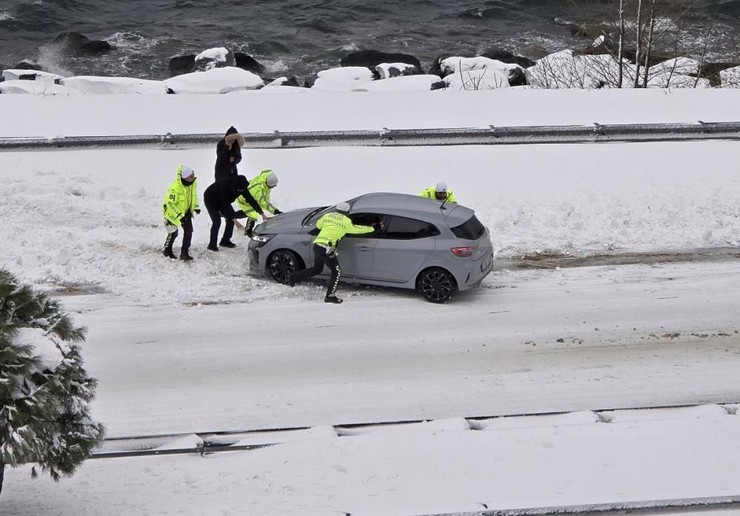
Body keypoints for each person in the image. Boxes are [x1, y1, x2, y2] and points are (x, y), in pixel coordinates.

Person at [289, 201, 376, 304]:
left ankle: (293, 277)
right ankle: (330, 296)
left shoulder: (328, 215)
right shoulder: (346, 221)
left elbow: (318, 225)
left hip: (317, 246)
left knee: (317, 269)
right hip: (327, 248)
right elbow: (356, 229)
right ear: (347, 212)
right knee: (337, 271)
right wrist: (372, 228)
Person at [203, 174, 268, 251]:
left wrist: (261, 213)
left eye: (242, 190)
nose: (240, 191)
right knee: (217, 221)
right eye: (239, 190)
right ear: (234, 186)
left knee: (230, 219)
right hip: (210, 199)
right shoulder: (225, 186)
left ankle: (225, 241)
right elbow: (225, 205)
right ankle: (212, 245)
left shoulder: (242, 187)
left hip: (223, 201)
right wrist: (235, 220)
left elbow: (251, 200)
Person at [162, 164, 200, 261]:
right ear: (185, 177)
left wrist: (196, 206)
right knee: (173, 233)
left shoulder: (192, 183)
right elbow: (170, 204)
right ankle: (167, 249)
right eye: (191, 176)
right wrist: (179, 216)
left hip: (186, 212)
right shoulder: (175, 188)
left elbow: (193, 196)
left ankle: (184, 252)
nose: (193, 177)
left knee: (189, 231)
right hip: (172, 214)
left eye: (193, 175)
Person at [236, 169, 282, 238]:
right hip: (242, 200)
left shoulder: (263, 179)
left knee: (253, 211)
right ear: (269, 184)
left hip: (248, 196)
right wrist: (275, 211)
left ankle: (230, 215)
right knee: (252, 214)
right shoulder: (259, 191)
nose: (275, 186)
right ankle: (248, 231)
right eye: (274, 185)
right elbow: (264, 203)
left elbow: (267, 172)